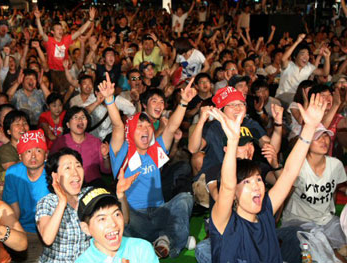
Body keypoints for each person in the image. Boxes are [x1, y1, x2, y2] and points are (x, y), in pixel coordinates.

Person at [208, 93, 326, 262]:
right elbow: (227, 185)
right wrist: (233, 141)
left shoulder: (265, 212)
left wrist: (309, 128)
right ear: (234, 192)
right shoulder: (225, 224)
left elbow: (289, 173)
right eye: (247, 181)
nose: (256, 185)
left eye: (258, 179)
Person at [99, 73, 196, 258]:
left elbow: (172, 127)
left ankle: (163, 242)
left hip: (159, 212)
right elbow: (117, 125)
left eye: (147, 126)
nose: (145, 129)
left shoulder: (155, 149)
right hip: (135, 217)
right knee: (116, 218)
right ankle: (169, 240)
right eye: (139, 126)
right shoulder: (122, 152)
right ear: (131, 133)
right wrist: (110, 100)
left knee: (185, 199)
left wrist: (183, 103)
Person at [36, 148, 138, 262]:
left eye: (78, 166)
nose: (75, 173)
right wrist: (62, 202)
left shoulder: (91, 194)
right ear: (55, 176)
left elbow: (124, 220)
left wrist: (121, 195)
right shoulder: (47, 202)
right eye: (68, 168)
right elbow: (47, 239)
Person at [281, 124, 347, 261]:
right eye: (318, 138)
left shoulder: (335, 165)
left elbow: (333, 191)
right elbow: (284, 194)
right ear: (306, 143)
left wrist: (332, 212)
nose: (324, 140)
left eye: (325, 135)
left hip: (326, 220)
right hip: (298, 221)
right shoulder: (297, 167)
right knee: (321, 248)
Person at [2, 129, 50, 262]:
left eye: (38, 150)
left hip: (49, 231)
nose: (33, 156)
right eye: (28, 151)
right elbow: (14, 212)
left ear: (46, 155)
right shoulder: (13, 173)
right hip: (22, 230)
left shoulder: (53, 174)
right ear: (20, 156)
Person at [75, 187, 159, 263]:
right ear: (86, 228)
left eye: (116, 214)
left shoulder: (142, 249)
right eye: (102, 219)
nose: (113, 224)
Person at [50, 106, 111, 187]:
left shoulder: (96, 142)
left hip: (92, 185)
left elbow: (107, 170)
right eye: (75, 117)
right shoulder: (60, 142)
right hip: (69, 185)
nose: (80, 120)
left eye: (83, 117)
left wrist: (105, 156)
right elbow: (51, 167)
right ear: (68, 124)